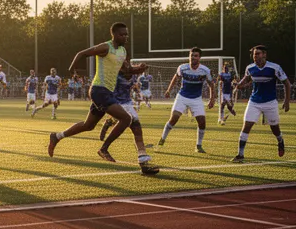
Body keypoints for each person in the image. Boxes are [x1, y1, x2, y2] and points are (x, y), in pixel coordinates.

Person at [47, 22, 157, 174]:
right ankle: (104, 149)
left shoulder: (123, 51)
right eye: (122, 34)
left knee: (88, 125)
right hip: (99, 90)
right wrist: (73, 72)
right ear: (114, 34)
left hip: (107, 92)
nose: (125, 37)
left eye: (126, 34)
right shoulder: (106, 47)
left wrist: (139, 69)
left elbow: (127, 70)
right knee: (126, 119)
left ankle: (57, 136)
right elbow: (82, 53)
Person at [232, 45, 290, 162]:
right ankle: (240, 154)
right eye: (254, 54)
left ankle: (280, 141)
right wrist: (238, 85)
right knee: (246, 126)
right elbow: (245, 80)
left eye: (258, 54)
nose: (255, 56)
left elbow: (287, 83)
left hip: (270, 102)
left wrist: (287, 101)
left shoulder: (274, 68)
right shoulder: (250, 68)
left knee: (274, 128)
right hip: (254, 101)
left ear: (264, 55)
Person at [158, 47, 217, 153]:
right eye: (191, 55)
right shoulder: (182, 68)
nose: (193, 57)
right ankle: (162, 138)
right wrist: (168, 90)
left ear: (199, 58)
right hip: (182, 97)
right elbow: (175, 78)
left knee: (202, 122)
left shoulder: (205, 70)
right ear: (189, 56)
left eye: (196, 56)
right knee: (174, 118)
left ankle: (198, 145)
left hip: (196, 98)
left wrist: (212, 99)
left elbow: (211, 84)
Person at [98, 69, 158, 174]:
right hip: (116, 104)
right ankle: (104, 147)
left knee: (137, 130)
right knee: (135, 128)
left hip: (128, 104)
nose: (127, 65)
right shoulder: (114, 74)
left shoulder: (133, 75)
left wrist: (137, 91)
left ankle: (143, 161)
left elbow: (133, 87)